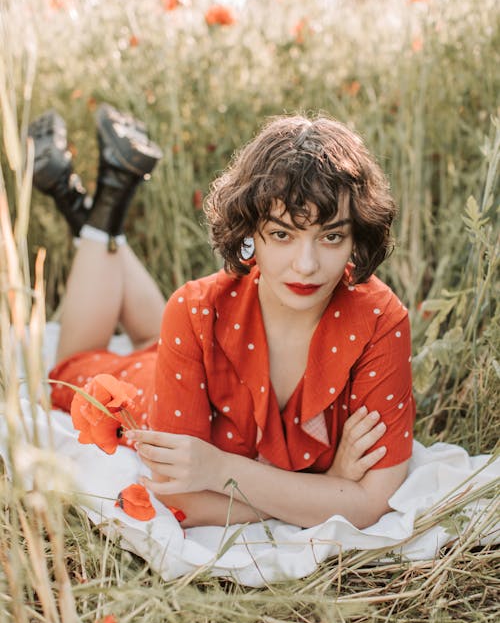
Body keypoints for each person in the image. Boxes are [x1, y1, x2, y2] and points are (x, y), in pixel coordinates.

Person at [31, 105, 415, 529]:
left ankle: (98, 201)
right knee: (68, 368)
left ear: (356, 238)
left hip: (194, 353)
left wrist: (220, 471)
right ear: (250, 232)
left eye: (331, 236)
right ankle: (101, 205)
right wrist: (328, 487)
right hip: (148, 385)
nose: (306, 265)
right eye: (282, 234)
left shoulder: (380, 320)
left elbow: (373, 501)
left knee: (157, 335)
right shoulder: (197, 310)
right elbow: (182, 501)